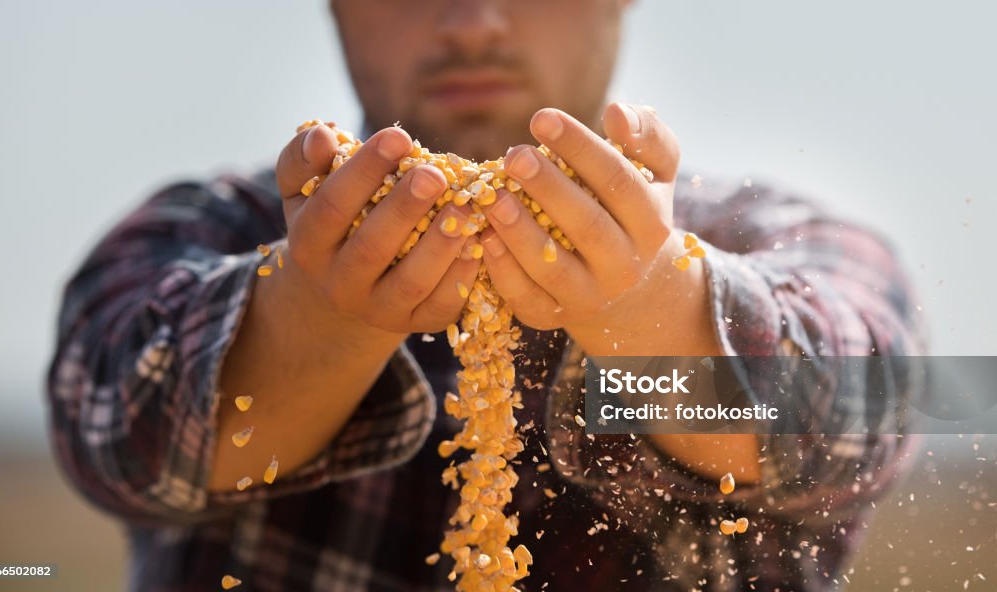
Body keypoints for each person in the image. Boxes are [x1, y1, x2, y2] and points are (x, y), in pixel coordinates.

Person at [46, 1, 925, 590]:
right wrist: (318, 313)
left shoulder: (772, 234)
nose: (470, 22)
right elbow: (114, 435)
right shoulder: (214, 226)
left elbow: (870, 413)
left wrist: (652, 309)